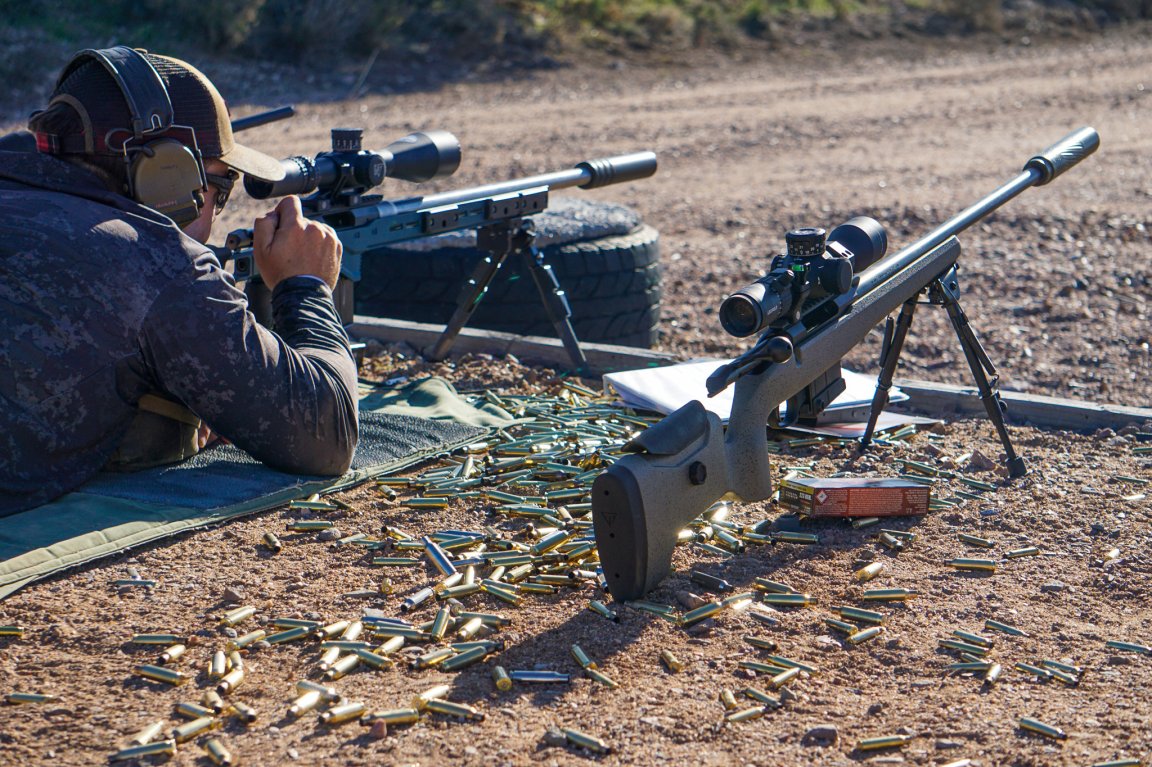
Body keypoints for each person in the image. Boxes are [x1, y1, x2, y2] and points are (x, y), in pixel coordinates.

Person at [0, 46, 359, 516]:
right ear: (166, 181)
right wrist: (305, 285)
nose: (217, 208)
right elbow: (326, 434)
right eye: (220, 187)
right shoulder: (151, 260)